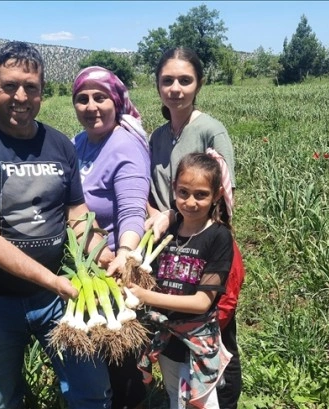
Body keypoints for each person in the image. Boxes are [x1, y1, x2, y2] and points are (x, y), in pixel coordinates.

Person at [0, 41, 113, 409]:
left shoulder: (59, 145)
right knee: (3, 400)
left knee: (92, 389)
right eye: (9, 86)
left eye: (31, 87)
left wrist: (102, 254)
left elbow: (77, 215)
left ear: (42, 90)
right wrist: (54, 282)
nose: (21, 96)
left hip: (55, 296)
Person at [145, 47, 245, 409]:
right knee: (174, 325)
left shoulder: (210, 130)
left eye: (185, 80)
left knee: (215, 326)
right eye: (167, 80)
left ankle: (223, 397)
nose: (175, 88)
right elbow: (151, 190)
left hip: (205, 246)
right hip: (167, 249)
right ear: (157, 86)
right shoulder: (156, 136)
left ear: (198, 84)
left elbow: (220, 199)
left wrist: (170, 216)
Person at [70, 65, 151, 409]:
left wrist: (125, 253)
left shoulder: (124, 145)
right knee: (98, 361)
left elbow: (133, 208)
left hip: (113, 268)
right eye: (82, 99)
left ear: (116, 101)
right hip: (85, 265)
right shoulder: (77, 143)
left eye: (100, 97)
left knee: (121, 364)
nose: (91, 107)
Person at [130, 152, 234, 409]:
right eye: (183, 192)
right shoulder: (168, 232)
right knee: (175, 396)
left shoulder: (218, 237)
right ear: (174, 189)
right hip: (167, 338)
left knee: (202, 403)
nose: (190, 201)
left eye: (201, 194)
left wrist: (145, 297)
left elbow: (201, 303)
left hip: (198, 341)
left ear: (217, 195)